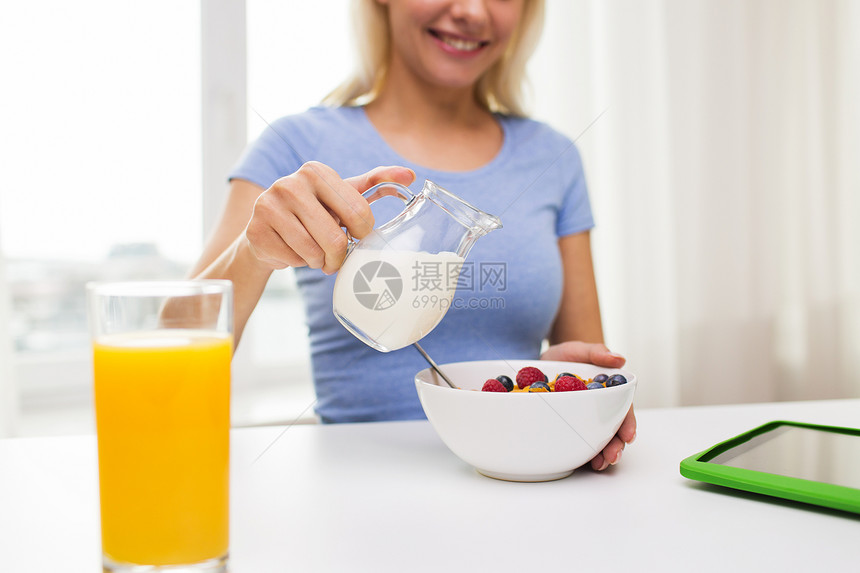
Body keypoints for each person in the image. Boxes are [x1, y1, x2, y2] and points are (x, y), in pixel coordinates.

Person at [190, 0, 636, 471]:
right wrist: (252, 251)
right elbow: (166, 351)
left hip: (516, 477)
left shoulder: (554, 156)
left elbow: (585, 364)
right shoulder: (296, 143)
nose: (472, 11)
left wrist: (566, 387)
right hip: (358, 491)